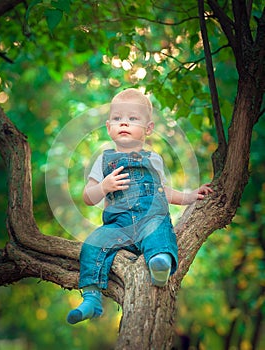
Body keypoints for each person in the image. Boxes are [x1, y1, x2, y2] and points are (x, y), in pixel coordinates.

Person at [67, 88, 212, 325]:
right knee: (92, 245)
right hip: (118, 226)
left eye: (133, 119)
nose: (124, 123)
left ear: (148, 128)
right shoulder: (102, 161)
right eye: (117, 118)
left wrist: (191, 196)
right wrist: (103, 186)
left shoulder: (154, 159)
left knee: (160, 231)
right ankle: (91, 298)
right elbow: (87, 197)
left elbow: (164, 193)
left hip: (149, 219)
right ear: (108, 127)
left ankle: (160, 263)